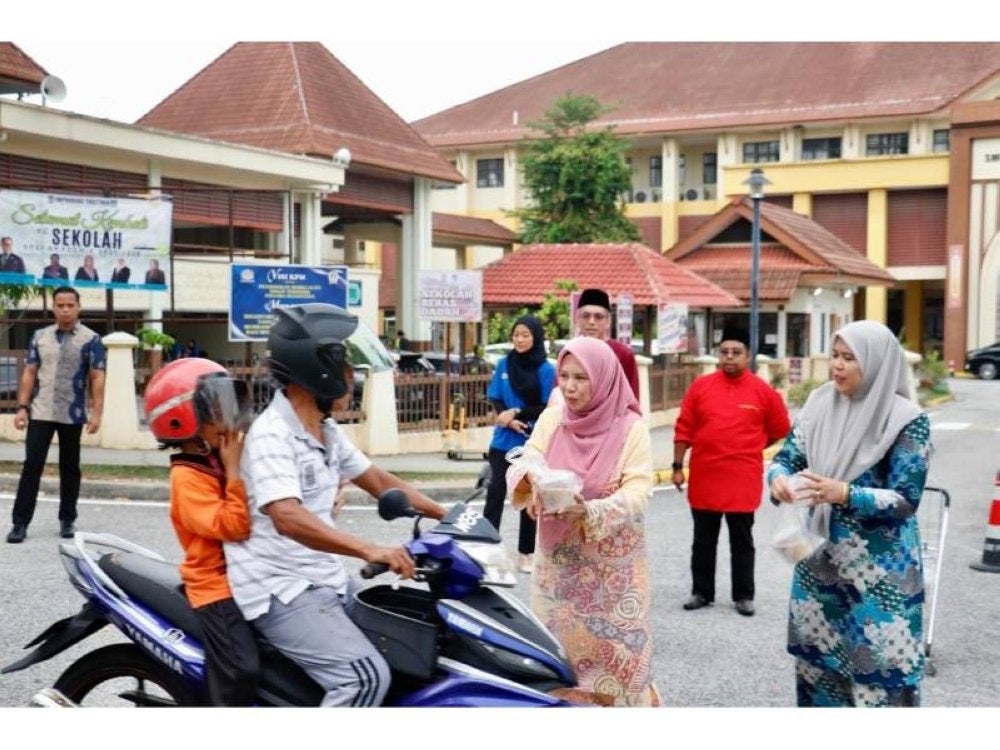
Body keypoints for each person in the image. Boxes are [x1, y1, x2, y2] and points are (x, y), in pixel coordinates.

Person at [223, 302, 446, 707]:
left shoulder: (324, 430)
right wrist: (369, 547)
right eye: (347, 368)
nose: (354, 377)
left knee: (412, 649)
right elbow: (287, 516)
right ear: (317, 370)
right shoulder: (273, 434)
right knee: (363, 679)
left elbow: (378, 481)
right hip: (279, 588)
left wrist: (448, 516)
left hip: (321, 579)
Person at [767, 320, 930, 707]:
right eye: (835, 356)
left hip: (880, 576)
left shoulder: (907, 420)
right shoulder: (821, 403)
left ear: (875, 363)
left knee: (881, 679)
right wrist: (778, 478)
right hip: (820, 565)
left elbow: (906, 498)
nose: (837, 366)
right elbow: (787, 457)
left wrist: (846, 493)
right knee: (820, 672)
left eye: (849, 358)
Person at [506, 337, 658, 706]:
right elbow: (528, 458)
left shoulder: (630, 428)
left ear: (604, 379)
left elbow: (640, 490)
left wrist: (590, 510)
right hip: (557, 575)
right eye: (564, 376)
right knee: (559, 665)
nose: (570, 387)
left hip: (612, 579)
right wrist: (533, 482)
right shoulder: (555, 418)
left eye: (581, 378)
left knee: (616, 670)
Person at [143, 357, 259, 706]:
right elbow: (234, 526)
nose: (228, 417)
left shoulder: (217, 459)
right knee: (241, 670)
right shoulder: (188, 477)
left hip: (249, 576)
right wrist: (235, 471)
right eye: (217, 409)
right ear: (184, 419)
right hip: (215, 586)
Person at [671, 327, 790, 616]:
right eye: (724, 352)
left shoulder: (762, 391)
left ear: (748, 356)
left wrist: (755, 445)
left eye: (736, 352)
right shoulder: (701, 386)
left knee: (742, 541)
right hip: (705, 475)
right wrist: (677, 466)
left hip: (742, 478)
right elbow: (684, 427)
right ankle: (701, 592)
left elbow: (780, 428)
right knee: (703, 540)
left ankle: (744, 595)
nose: (729, 357)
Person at [6, 287, 106, 543]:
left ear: (78, 307)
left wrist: (97, 413)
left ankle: (67, 519)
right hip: (41, 411)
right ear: (54, 307)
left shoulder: (91, 339)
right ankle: (20, 523)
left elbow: (97, 376)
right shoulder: (40, 337)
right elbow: (30, 372)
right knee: (32, 466)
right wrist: (21, 407)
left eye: (69, 305)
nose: (65, 309)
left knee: (70, 468)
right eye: (60, 305)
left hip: (72, 413)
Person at [484, 315, 556, 572]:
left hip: (531, 442)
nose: (520, 339)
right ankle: (487, 549)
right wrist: (507, 418)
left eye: (525, 335)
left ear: (535, 338)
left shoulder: (547, 370)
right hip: (503, 440)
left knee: (527, 497)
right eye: (516, 334)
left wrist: (516, 414)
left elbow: (547, 406)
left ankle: (526, 553)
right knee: (494, 495)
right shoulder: (504, 364)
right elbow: (495, 398)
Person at [575, 288, 640, 399]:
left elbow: (632, 398)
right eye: (586, 316)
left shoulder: (623, 354)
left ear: (608, 321)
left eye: (598, 317)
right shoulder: (570, 352)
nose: (591, 322)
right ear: (578, 319)